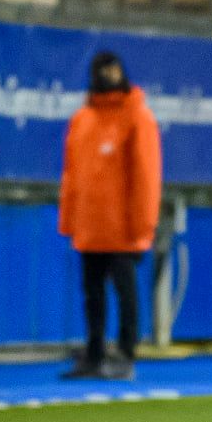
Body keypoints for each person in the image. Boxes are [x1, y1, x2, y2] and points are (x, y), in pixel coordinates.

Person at [58, 50, 162, 382]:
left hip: (123, 229)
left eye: (114, 68)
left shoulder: (137, 116)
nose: (109, 75)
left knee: (124, 293)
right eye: (103, 69)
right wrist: (70, 220)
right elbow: (72, 175)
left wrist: (143, 224)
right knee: (92, 294)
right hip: (91, 227)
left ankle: (126, 352)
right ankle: (94, 353)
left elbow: (147, 174)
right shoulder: (82, 119)